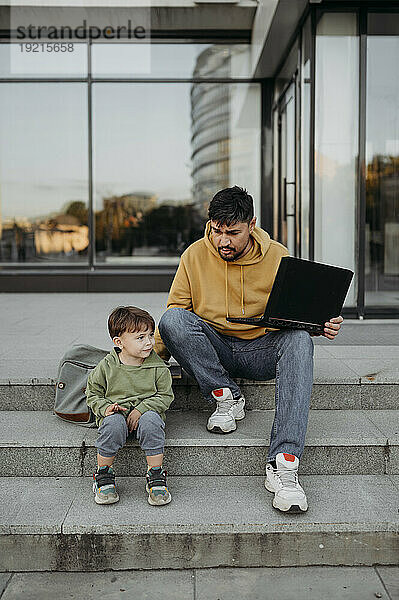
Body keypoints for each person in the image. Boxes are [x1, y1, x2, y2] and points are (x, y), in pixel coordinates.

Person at [154, 186, 343, 513]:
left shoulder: (278, 255)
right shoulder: (194, 255)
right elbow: (177, 317)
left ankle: (283, 465)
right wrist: (144, 365)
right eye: (217, 231)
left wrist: (319, 324)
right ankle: (226, 395)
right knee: (172, 320)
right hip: (215, 350)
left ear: (252, 224)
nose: (223, 241)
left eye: (233, 233)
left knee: (299, 339)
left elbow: (297, 315)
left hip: (262, 349)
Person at [86, 305, 174, 506]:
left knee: (152, 420)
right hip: (117, 413)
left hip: (145, 416)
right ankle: (104, 473)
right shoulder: (107, 366)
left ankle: (155, 474)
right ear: (119, 342)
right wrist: (105, 408)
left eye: (151, 335)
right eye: (140, 338)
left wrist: (141, 409)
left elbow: (165, 396)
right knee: (112, 424)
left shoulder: (158, 368)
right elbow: (93, 392)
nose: (149, 342)